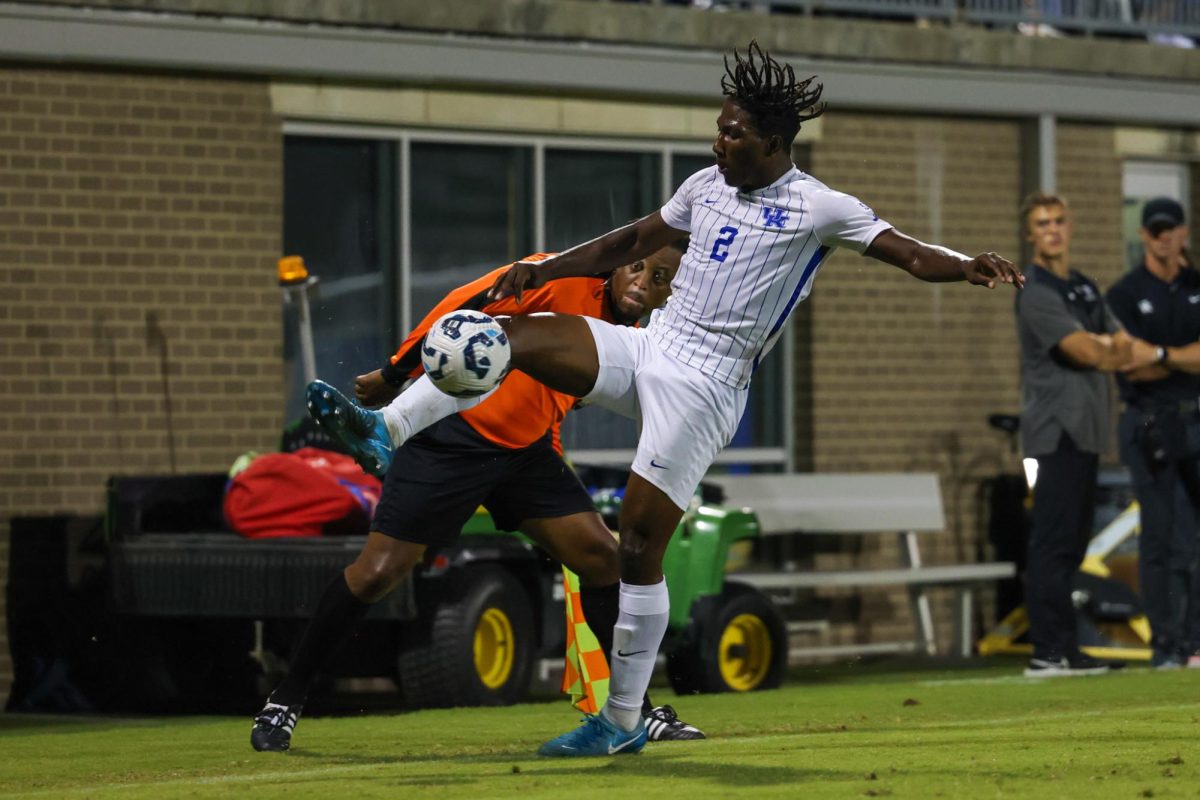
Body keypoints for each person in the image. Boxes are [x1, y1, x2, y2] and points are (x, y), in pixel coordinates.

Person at [377, 40, 1023, 757]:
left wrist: (968, 265)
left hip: (709, 385)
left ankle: (621, 721)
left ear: (772, 142)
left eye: (733, 133)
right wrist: (541, 273)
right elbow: (628, 240)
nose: (719, 141)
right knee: (512, 335)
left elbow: (906, 251)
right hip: (655, 345)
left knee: (639, 549)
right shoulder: (703, 186)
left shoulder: (819, 207)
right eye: (719, 127)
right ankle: (387, 429)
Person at [250, 244, 705, 752]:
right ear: (616, 264)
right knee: (377, 573)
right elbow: (463, 302)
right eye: (636, 267)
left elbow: (553, 401)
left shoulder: (634, 342)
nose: (642, 281)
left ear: (671, 291)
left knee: (604, 560)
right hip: (451, 441)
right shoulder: (559, 275)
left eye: (659, 277)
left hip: (527, 456)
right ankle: (284, 701)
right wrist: (395, 371)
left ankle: (636, 713)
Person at [1014, 191, 1155, 677]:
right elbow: (1088, 353)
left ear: (1069, 227)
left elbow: (1125, 346)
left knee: (1073, 544)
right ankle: (1047, 652)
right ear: (1031, 234)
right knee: (1053, 543)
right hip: (1055, 433)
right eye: (1042, 223)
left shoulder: (1082, 287)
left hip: (1088, 432)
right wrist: (1104, 347)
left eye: (1058, 220)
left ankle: (1066, 649)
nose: (1052, 229)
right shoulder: (1035, 289)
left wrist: (1108, 345)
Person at [1106, 196, 1200, 670]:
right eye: (1156, 230)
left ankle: (1194, 642)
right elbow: (1127, 365)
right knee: (1160, 538)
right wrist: (1184, 357)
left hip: (1196, 417)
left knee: (1194, 539)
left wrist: (1160, 356)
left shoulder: (1197, 284)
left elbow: (1149, 360)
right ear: (1144, 235)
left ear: (1184, 232)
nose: (1164, 238)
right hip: (1150, 423)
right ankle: (1165, 645)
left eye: (1172, 229)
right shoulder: (1124, 293)